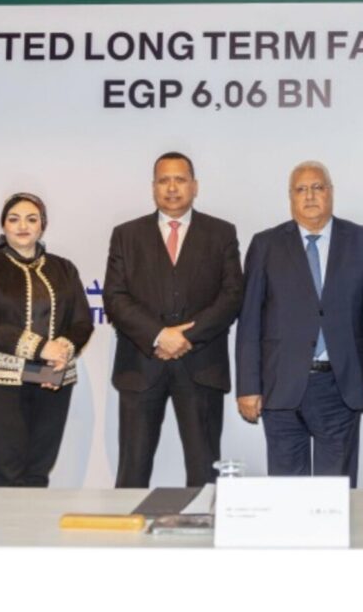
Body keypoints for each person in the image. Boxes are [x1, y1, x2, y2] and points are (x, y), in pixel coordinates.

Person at [236, 161, 363, 487]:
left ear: (331, 193)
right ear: (290, 197)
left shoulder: (362, 241)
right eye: (301, 189)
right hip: (281, 385)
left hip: (339, 384)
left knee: (335, 493)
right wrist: (248, 386)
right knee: (288, 493)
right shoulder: (265, 245)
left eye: (317, 187)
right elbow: (249, 321)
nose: (309, 196)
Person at [103, 152, 243, 487]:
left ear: (195, 186)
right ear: (153, 187)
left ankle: (205, 522)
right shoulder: (126, 235)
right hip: (141, 366)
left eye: (180, 180)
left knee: (204, 473)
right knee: (132, 472)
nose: (172, 188)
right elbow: (115, 297)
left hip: (201, 366)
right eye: (164, 180)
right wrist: (158, 335)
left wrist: (185, 338)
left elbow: (232, 296)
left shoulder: (221, 233)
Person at [0, 192, 93, 487]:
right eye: (14, 219)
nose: (23, 226)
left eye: (31, 219)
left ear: (42, 225)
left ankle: (35, 520)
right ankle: (4, 520)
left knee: (38, 469)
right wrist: (41, 348)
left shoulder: (64, 268)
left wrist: (61, 352)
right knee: (5, 469)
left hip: (52, 375)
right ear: (3, 225)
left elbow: (82, 322)